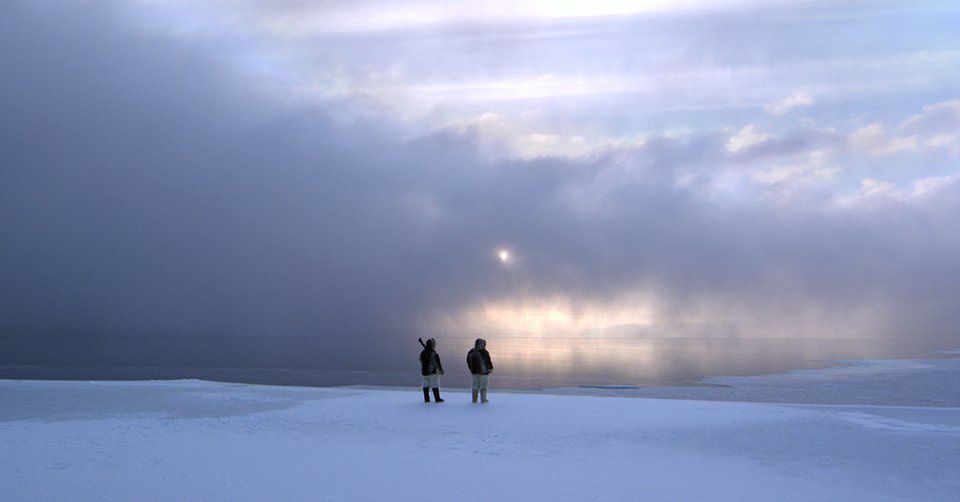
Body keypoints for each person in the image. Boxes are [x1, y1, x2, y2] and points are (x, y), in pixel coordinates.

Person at [466, 338, 493, 403]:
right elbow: (487, 361)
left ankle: (478, 399)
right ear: (478, 344)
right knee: (479, 386)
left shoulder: (472, 352)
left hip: (479, 372)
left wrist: (490, 368)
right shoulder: (480, 352)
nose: (484, 346)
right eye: (483, 344)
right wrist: (490, 368)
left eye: (484, 344)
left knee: (479, 386)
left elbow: (468, 362)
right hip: (480, 372)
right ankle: (479, 399)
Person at [418, 337, 444, 403]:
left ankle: (426, 399)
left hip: (424, 372)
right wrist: (440, 370)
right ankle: (437, 399)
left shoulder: (423, 352)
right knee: (435, 385)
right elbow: (437, 363)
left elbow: (420, 360)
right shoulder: (434, 353)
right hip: (432, 372)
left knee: (425, 385)